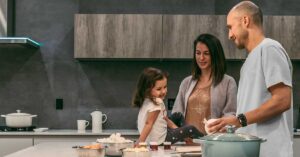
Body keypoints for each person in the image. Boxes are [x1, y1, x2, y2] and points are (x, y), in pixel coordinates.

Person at [207, 1, 293, 157]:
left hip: (271, 151)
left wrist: (238, 120)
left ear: (245, 21)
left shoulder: (269, 49)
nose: (229, 35)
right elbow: (249, 112)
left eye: (230, 27)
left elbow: (283, 100)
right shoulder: (248, 62)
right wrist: (232, 124)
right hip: (253, 150)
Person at [172, 33, 237, 135]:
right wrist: (181, 134)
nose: (201, 58)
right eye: (198, 53)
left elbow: (230, 115)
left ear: (215, 55)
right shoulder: (186, 83)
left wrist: (216, 129)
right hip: (186, 143)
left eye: (206, 53)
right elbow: (177, 113)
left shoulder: (228, 82)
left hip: (213, 143)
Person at [132, 67, 203, 145]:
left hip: (155, 137)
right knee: (191, 129)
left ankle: (187, 138)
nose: (164, 91)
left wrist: (177, 130)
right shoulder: (157, 102)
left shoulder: (146, 100)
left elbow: (165, 119)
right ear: (147, 90)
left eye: (165, 87)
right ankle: (207, 141)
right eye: (159, 89)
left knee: (177, 115)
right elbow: (148, 124)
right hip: (161, 140)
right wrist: (140, 142)